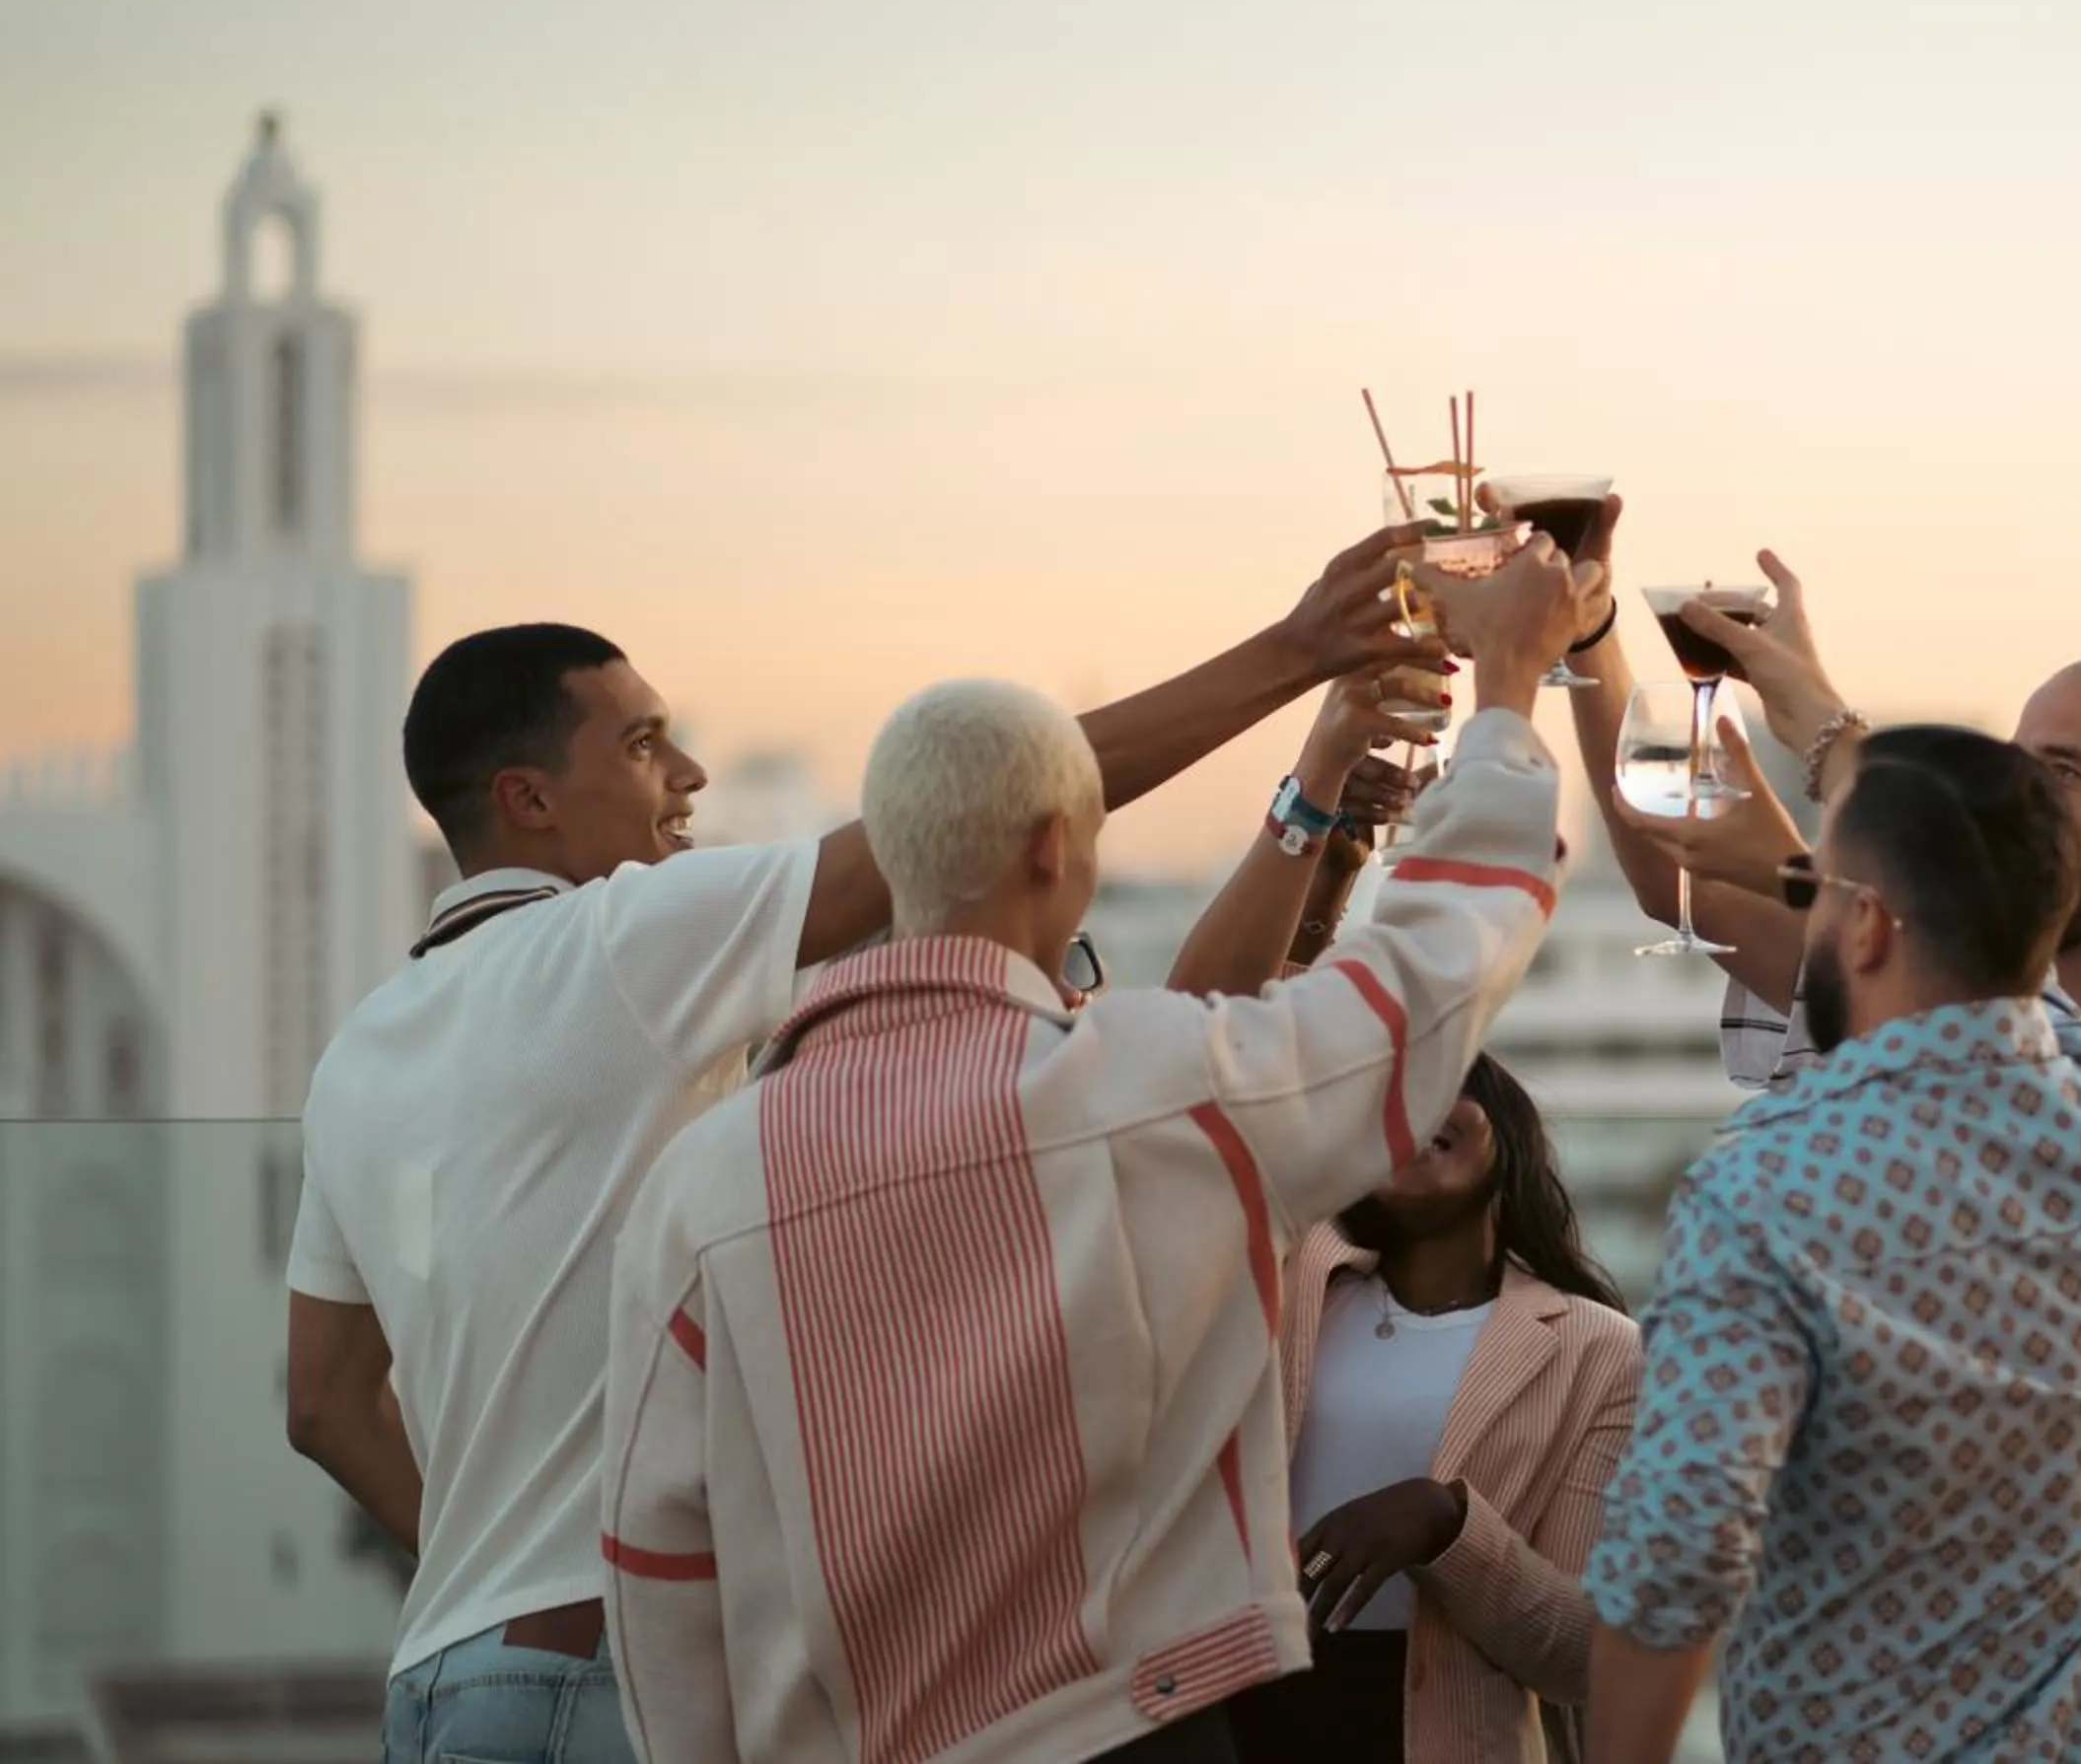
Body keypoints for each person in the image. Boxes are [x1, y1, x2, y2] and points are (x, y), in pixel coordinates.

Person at [286, 529, 1435, 1764]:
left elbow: (325, 1403)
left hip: (441, 1684)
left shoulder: (357, 1053)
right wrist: (1296, 651)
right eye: (637, 742)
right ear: (528, 800)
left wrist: (492, 1581)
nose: (686, 773)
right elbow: (977, 804)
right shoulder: (619, 943)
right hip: (605, 1684)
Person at [598, 542, 1599, 1764]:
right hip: (1127, 1733)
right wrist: (1507, 691)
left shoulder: (703, 1181)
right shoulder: (1141, 1091)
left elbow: (658, 1560)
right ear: (1051, 852)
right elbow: (1430, 977)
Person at [1581, 725, 2081, 1764]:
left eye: (1819, 895)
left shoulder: (1762, 1184)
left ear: (1866, 925)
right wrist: (1831, 866)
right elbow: (2013, 956)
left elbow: (1682, 1546)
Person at [1557, 535, 2081, 1136]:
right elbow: (1676, 879)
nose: (2020, 799)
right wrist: (1589, 629)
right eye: (2014, 767)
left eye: (2062, 772)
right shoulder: (1895, 960)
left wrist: (1815, 830)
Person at [1216, 1053, 1640, 1764]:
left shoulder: (1598, 1350)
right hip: (1234, 1711)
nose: (1407, 1111)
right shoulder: (1284, 1279)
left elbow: (1578, 1652)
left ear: (1504, 1127)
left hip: (1442, 1734)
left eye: (1439, 1083)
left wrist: (1442, 1521)